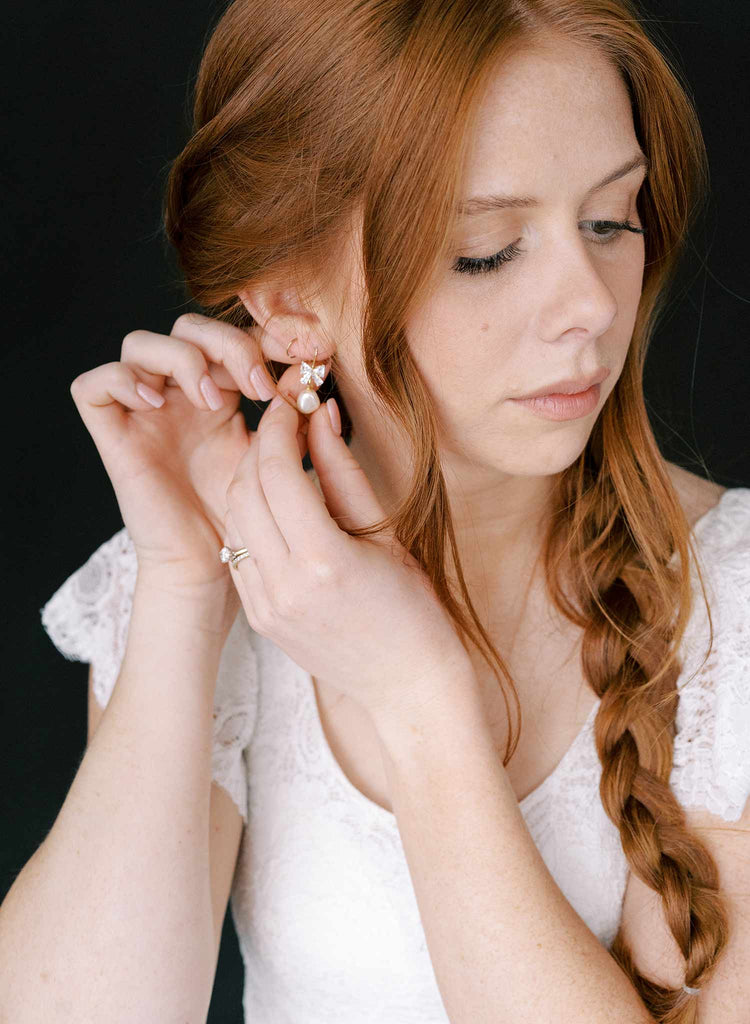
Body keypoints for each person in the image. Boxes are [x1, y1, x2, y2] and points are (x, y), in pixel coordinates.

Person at [1, 1, 748, 1021]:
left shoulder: (731, 606)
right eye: (488, 249)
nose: (594, 304)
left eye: (612, 219)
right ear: (287, 300)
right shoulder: (222, 584)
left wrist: (419, 699)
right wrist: (179, 582)